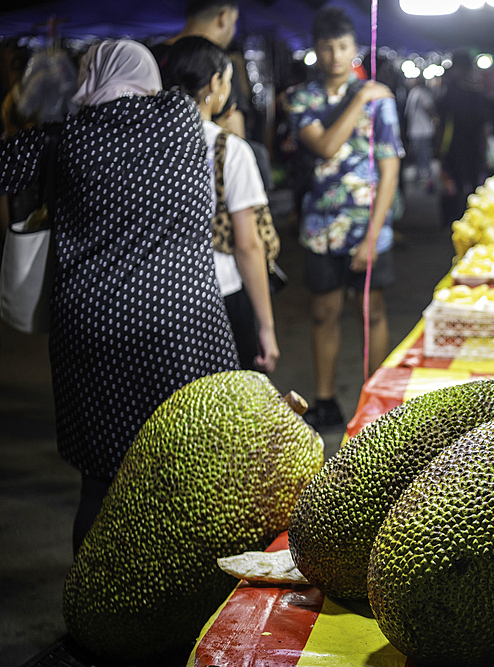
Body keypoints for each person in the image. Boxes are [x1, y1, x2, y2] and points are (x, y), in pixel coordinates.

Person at [0, 39, 240, 552]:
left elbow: (7, 167)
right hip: (183, 322)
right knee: (190, 470)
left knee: (102, 481)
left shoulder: (62, 138)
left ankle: (93, 614)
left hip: (94, 328)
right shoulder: (179, 116)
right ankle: (188, 610)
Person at [285, 7, 404, 431]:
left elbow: (390, 169)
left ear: (355, 48)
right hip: (319, 228)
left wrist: (374, 234)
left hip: (368, 227)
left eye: (343, 47)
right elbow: (325, 146)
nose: (335, 55)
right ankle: (324, 400)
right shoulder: (303, 98)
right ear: (316, 50)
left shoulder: (382, 100)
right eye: (327, 47)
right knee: (324, 313)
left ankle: (380, 404)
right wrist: (359, 98)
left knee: (370, 311)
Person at [161, 36, 279, 373]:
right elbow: (248, 245)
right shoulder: (227, 148)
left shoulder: (148, 143)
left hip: (161, 301)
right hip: (220, 297)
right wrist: (267, 327)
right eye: (227, 80)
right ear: (215, 83)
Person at [150, 0, 247, 137]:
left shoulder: (150, 56)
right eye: (234, 21)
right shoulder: (222, 66)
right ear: (223, 17)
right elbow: (235, 134)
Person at [436, 49, 489, 227]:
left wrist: (439, 149)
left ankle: (457, 222)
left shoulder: (450, 90)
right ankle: (471, 221)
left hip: (455, 146)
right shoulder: (477, 91)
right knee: (472, 184)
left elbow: (442, 120)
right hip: (473, 145)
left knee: (456, 185)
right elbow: (484, 122)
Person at [404, 75, 437, 186]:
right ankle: (422, 175)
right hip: (416, 131)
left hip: (423, 130)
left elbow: (429, 108)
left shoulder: (420, 93)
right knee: (419, 154)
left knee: (424, 154)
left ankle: (427, 176)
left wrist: (434, 120)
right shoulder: (414, 92)